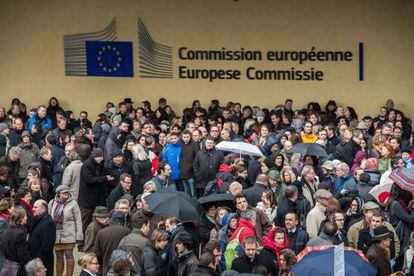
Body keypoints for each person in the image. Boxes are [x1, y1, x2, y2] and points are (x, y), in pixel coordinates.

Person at [48, 185, 83, 276]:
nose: (66, 194)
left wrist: (79, 235)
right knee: (58, 256)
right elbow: (48, 218)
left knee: (69, 255)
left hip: (69, 233)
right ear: (58, 194)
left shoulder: (73, 203)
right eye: (63, 193)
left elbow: (78, 219)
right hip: (56, 235)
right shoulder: (52, 203)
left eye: (67, 192)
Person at [78, 148, 114, 235]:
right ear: (95, 157)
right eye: (100, 157)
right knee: (85, 221)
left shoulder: (97, 165)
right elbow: (89, 180)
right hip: (87, 200)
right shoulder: (87, 165)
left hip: (94, 199)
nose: (102, 159)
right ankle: (83, 241)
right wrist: (104, 178)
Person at [93, 211, 131, 276]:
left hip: (106, 269)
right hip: (122, 270)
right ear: (123, 220)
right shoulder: (127, 231)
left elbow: (97, 253)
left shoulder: (101, 232)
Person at [27, 199, 56, 276]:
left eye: (35, 207)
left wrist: (38, 260)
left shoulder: (48, 222)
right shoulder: (40, 219)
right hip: (36, 260)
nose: (33, 209)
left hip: (43, 262)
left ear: (43, 208)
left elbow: (47, 245)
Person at [0, 207, 31, 276]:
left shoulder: (7, 230)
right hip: (18, 269)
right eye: (25, 216)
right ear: (21, 218)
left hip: (7, 266)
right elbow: (23, 255)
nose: (27, 217)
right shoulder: (20, 233)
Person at [180, 130, 199, 198]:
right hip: (183, 172)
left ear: (190, 137)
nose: (186, 138)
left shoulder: (194, 144)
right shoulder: (180, 145)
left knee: (193, 193)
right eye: (184, 137)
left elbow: (197, 158)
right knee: (186, 193)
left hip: (191, 173)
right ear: (182, 138)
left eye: (187, 137)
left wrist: (194, 170)